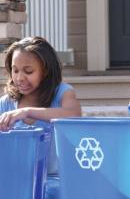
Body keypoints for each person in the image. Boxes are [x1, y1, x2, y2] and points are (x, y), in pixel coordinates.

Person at [0, 36, 82, 198]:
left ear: (45, 71)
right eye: (15, 70)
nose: (20, 78)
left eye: (28, 71)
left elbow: (73, 114)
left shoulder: (62, 93)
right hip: (17, 181)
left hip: (56, 181)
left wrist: (28, 111)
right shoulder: (7, 103)